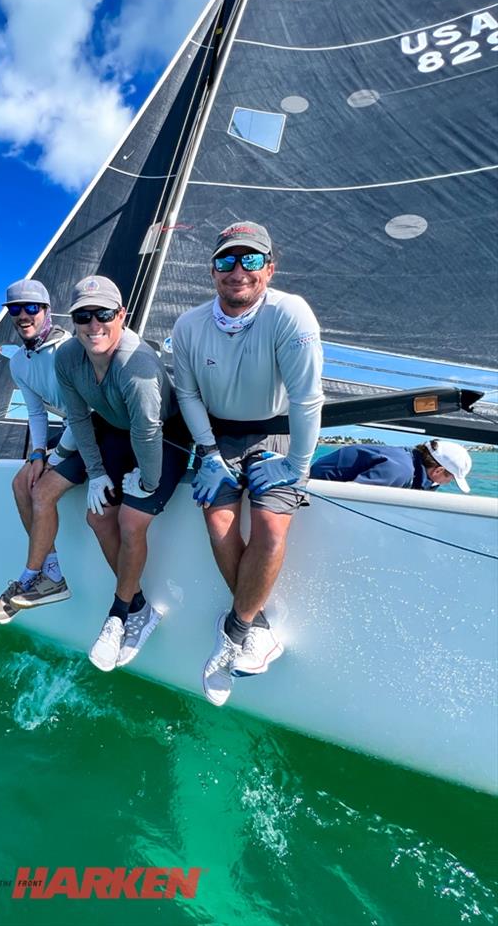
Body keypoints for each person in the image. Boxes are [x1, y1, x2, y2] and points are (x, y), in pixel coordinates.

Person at [171, 221, 324, 707]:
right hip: (217, 434)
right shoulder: (188, 325)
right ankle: (256, 626)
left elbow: (306, 398)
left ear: (269, 269)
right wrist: (210, 454)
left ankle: (235, 629)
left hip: (275, 429)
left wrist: (297, 464)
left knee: (271, 529)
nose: (238, 270)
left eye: (251, 260)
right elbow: (188, 393)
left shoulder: (289, 313)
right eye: (226, 261)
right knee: (217, 521)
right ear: (212, 271)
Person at [26, 275, 190, 672]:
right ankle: (139, 608)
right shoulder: (68, 357)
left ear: (122, 315)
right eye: (83, 315)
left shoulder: (138, 367)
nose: (93, 324)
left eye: (104, 314)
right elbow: (79, 418)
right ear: (74, 319)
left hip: (166, 435)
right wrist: (97, 473)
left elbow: (149, 432)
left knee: (132, 521)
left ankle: (117, 616)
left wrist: (148, 482)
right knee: (98, 516)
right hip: (116, 430)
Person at [0, 279, 77, 625]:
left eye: (31, 308)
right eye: (15, 309)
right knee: (21, 482)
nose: (23, 315)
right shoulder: (18, 363)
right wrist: (38, 453)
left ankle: (31, 576)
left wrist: (56, 457)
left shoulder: (70, 349)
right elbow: (36, 412)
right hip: (71, 431)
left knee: (41, 489)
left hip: (99, 429)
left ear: (47, 311)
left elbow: (86, 414)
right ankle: (50, 572)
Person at [310, 439, 472, 491]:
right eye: (450, 478)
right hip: (314, 484)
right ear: (439, 470)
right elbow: (352, 496)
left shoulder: (411, 465)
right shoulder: (399, 470)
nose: (448, 482)